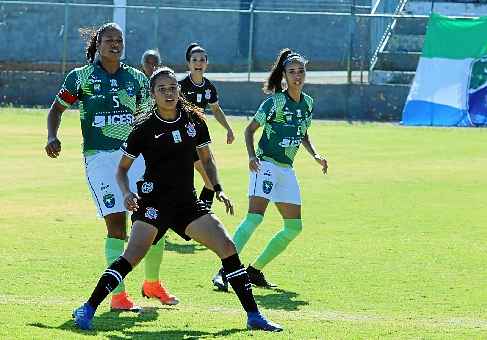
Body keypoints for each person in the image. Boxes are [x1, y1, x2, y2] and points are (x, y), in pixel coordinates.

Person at [71, 67, 283, 332]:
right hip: (152, 203)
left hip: (186, 204)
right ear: (153, 94)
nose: (169, 93)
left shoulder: (194, 121)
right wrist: (126, 193)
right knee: (131, 257)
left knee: (227, 247)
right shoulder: (143, 127)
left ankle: (254, 316)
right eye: (162, 89)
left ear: (178, 90)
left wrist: (217, 188)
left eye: (172, 88)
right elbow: (122, 169)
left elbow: (206, 160)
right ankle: (88, 308)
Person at [45, 23, 178, 311]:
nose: (115, 44)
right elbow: (56, 109)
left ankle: (152, 283)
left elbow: (149, 117)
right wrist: (52, 135)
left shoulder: (137, 79)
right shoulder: (80, 78)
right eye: (109, 40)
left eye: (119, 40)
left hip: (135, 158)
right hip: (100, 160)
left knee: (154, 222)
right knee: (116, 226)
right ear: (98, 43)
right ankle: (118, 297)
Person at [212, 49, 328, 292]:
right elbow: (249, 130)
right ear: (284, 76)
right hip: (265, 164)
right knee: (255, 217)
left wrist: (315, 155)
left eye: (301, 71)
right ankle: (223, 272)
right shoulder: (274, 102)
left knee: (294, 227)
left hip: (286, 169)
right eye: (292, 72)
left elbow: (302, 133)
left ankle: (254, 270)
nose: (297, 76)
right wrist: (252, 157)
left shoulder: (308, 103)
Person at [179, 43, 235, 208]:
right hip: (181, 138)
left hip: (199, 137)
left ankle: (202, 214)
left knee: (211, 179)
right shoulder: (180, 87)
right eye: (194, 60)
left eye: (202, 60)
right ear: (188, 64)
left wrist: (229, 128)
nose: (198, 63)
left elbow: (216, 110)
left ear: (206, 63)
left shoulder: (209, 87)